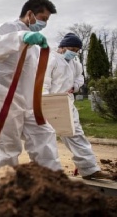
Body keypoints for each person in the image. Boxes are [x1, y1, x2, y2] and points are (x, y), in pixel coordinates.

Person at [0, 0, 62, 171]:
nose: (44, 24)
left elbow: (31, 73)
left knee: (43, 133)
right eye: (43, 19)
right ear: (30, 14)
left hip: (26, 99)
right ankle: (4, 185)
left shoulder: (35, 44)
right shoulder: (8, 28)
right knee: (8, 144)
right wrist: (22, 37)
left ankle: (51, 178)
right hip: (0, 94)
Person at [43, 33, 111, 179]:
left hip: (67, 103)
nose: (74, 52)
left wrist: (75, 86)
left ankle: (89, 169)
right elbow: (44, 81)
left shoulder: (76, 63)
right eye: (71, 48)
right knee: (44, 138)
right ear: (62, 47)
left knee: (76, 135)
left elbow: (80, 77)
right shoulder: (51, 59)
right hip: (50, 102)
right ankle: (46, 172)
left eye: (77, 50)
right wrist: (45, 101)